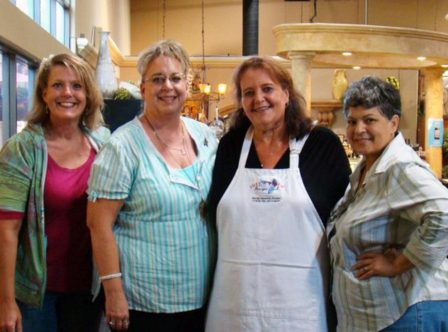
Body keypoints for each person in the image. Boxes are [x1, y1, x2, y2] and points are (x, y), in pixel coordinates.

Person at [205, 57, 351, 331]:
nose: (258, 98)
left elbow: (346, 222)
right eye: (248, 92)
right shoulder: (231, 146)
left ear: (286, 93)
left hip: (299, 307)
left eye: (267, 89)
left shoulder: (321, 146)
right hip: (234, 304)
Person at [87, 40, 217, 332]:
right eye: (157, 79)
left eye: (175, 78)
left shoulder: (206, 137)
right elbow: (98, 224)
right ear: (143, 88)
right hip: (144, 301)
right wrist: (114, 291)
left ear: (187, 84)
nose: (167, 86)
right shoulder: (122, 147)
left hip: (200, 295)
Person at [327, 76, 448, 331]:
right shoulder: (368, 168)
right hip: (378, 316)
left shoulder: (400, 167)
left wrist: (397, 263)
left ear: (393, 123)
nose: (358, 129)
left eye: (369, 120)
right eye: (352, 121)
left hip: (405, 312)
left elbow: (444, 214)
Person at [0, 53, 109, 332]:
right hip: (36, 296)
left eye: (77, 86)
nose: (67, 93)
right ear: (44, 93)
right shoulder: (21, 149)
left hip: (87, 289)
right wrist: (5, 301)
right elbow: (6, 230)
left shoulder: (103, 144)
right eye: (58, 85)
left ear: (88, 95)